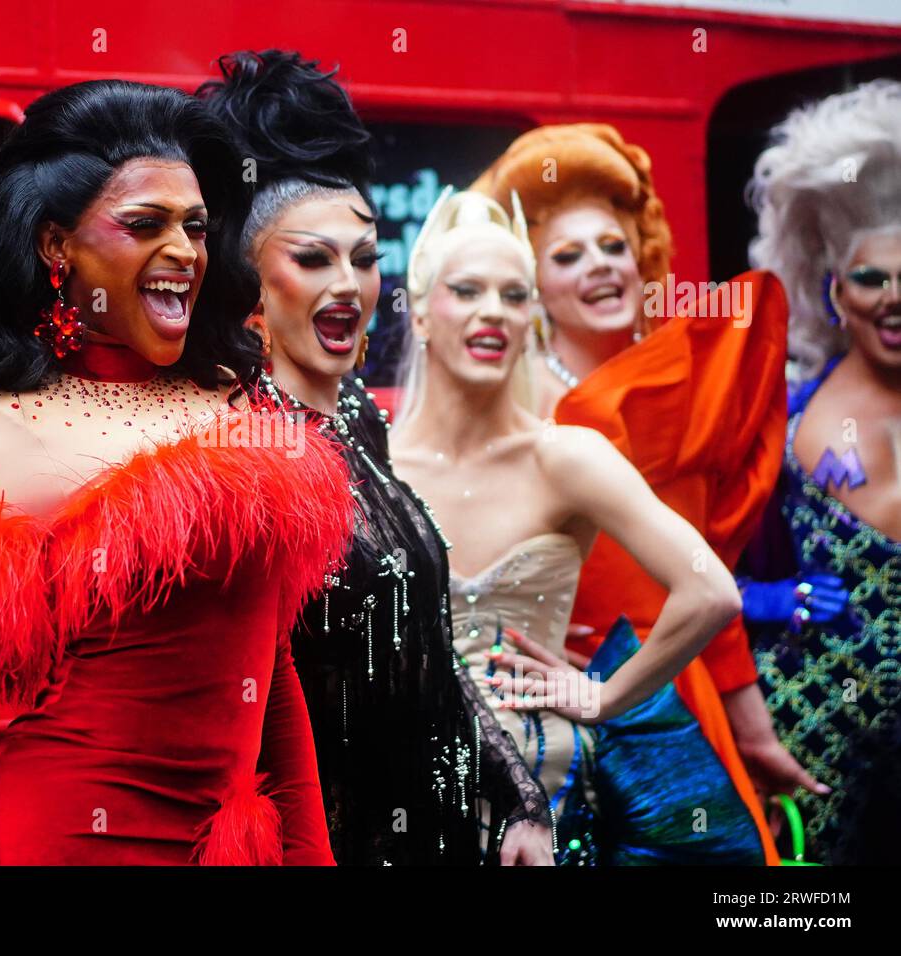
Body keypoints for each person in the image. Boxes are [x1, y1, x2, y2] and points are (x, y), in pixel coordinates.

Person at [0, 80, 352, 865]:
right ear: (57, 247)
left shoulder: (236, 401)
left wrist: (312, 855)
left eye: (195, 226)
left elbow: (275, 674)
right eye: (145, 224)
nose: (184, 250)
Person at [199, 49, 553, 865]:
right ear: (252, 281)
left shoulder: (358, 413)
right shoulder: (235, 449)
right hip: (329, 837)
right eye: (313, 259)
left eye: (363, 257)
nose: (350, 284)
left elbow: (422, 636)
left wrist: (518, 797)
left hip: (443, 829)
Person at [390, 187, 764, 864]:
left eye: (513, 295)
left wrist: (602, 697)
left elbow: (710, 592)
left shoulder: (567, 456)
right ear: (419, 314)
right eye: (467, 290)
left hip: (548, 789)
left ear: (532, 315)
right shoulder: (376, 462)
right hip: (400, 786)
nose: (492, 312)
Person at [473, 125, 807, 864]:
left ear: (641, 258)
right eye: (567, 255)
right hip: (552, 727)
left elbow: (705, 594)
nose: (598, 267)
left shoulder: (680, 393)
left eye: (612, 247)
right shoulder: (510, 406)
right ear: (531, 287)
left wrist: (753, 735)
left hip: (679, 704)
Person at [742, 79, 901, 865]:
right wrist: (771, 601)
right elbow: (690, 571)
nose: (893, 297)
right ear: (835, 289)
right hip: (813, 726)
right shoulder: (781, 415)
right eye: (872, 278)